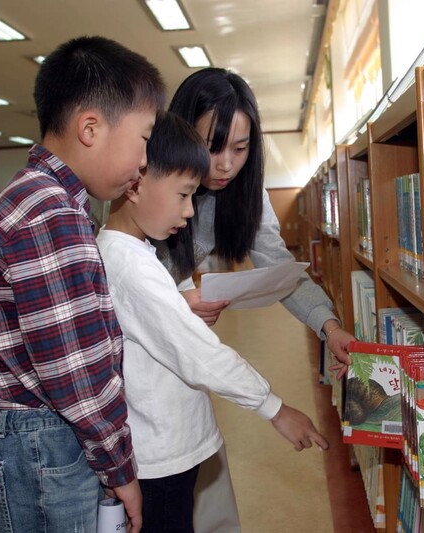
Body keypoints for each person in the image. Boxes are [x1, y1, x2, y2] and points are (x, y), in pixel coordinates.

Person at [0, 36, 165, 533]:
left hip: (23, 437)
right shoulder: (50, 212)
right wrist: (120, 466)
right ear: (90, 128)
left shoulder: (34, 200)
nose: (143, 160)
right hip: (38, 443)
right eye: (144, 138)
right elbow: (75, 370)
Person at [96, 110, 329, 532]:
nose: (190, 212)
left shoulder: (138, 255)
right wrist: (275, 409)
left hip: (171, 447)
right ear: (135, 184)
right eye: (184, 194)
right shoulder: (131, 266)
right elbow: (198, 354)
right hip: (158, 457)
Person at [159, 67, 355, 533]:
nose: (226, 165)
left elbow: (281, 273)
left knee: (204, 491)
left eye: (241, 149)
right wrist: (179, 298)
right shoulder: (149, 183)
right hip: (139, 359)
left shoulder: (244, 195)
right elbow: (130, 277)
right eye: (212, 147)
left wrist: (329, 328)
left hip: (183, 358)